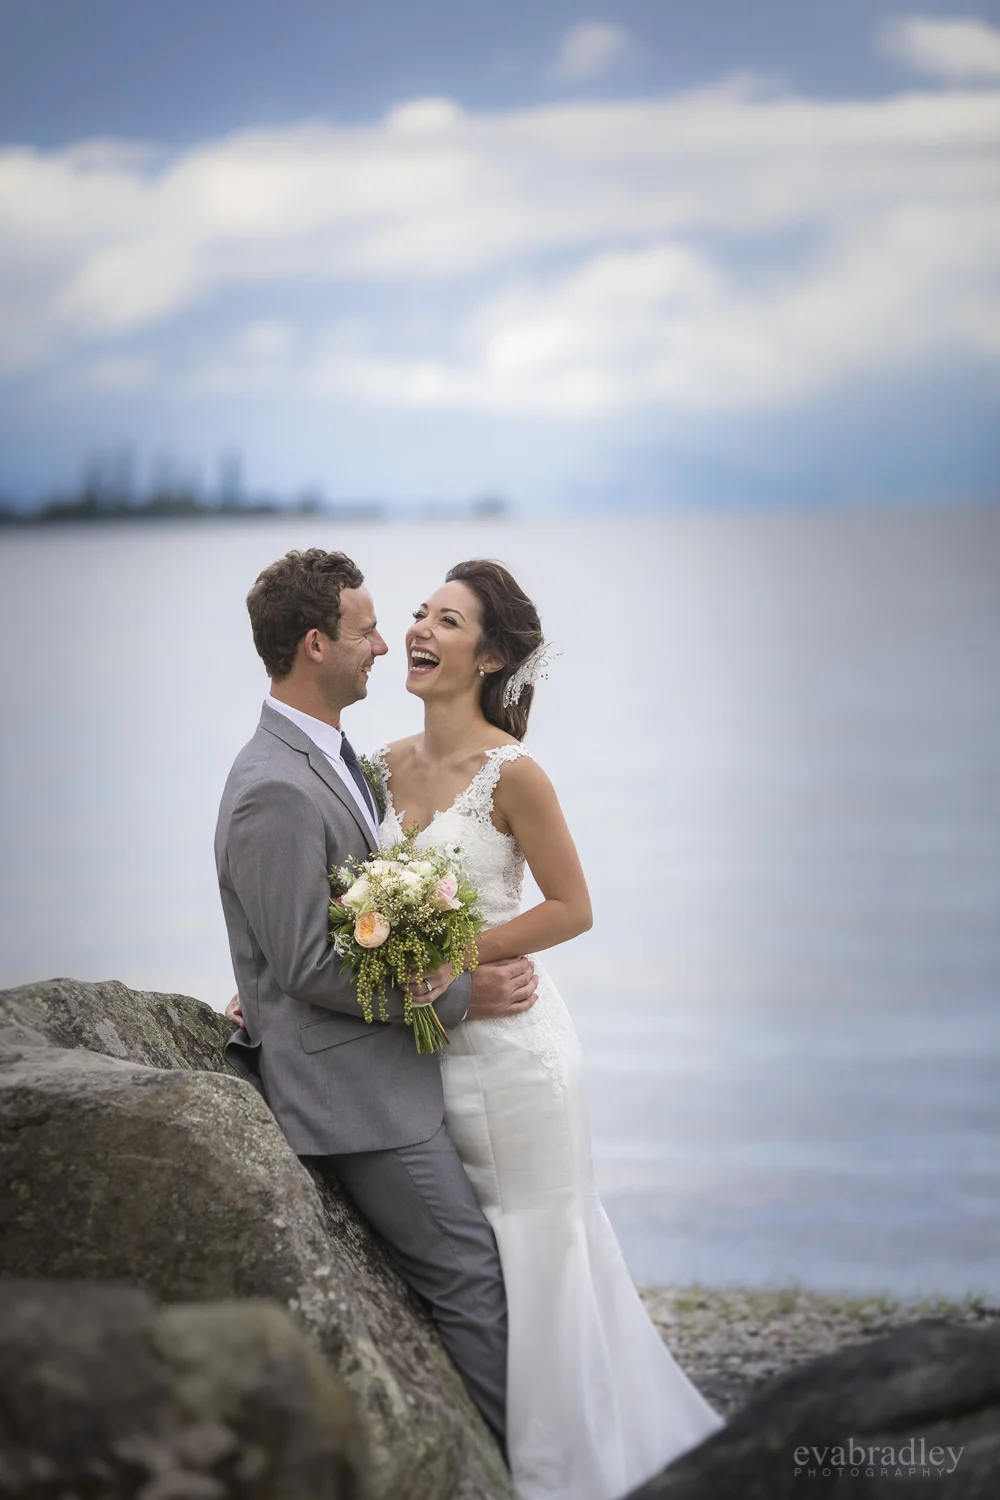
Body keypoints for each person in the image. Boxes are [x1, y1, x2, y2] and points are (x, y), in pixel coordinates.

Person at [368, 558, 726, 1500]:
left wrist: (462, 954)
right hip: (426, 1049)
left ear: (488, 657)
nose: (418, 631)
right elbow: (340, 911)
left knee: (538, 1245)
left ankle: (568, 1468)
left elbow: (572, 907)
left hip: (518, 1058)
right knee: (468, 1255)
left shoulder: (513, 774)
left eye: (445, 622)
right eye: (417, 614)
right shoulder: (377, 767)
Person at [215, 547, 539, 1456]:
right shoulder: (274, 785)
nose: (382, 644)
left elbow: (294, 934)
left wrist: (257, 982)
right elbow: (313, 965)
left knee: (482, 1268)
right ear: (316, 644)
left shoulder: (333, 759)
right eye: (365, 631)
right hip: (355, 1100)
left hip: (381, 1075)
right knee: (471, 1279)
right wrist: (462, 995)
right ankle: (511, 1471)